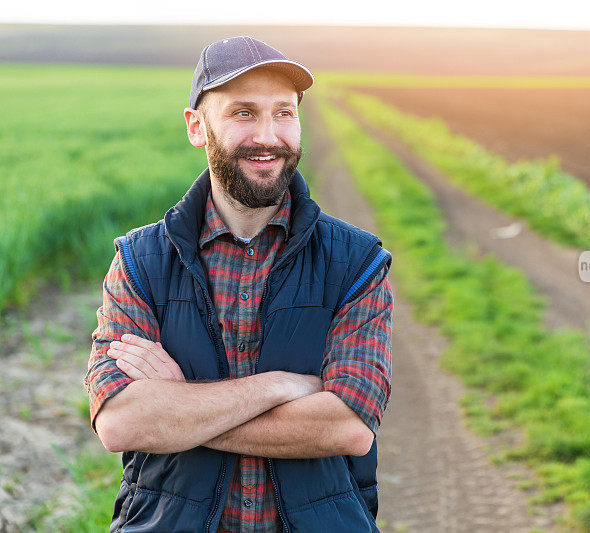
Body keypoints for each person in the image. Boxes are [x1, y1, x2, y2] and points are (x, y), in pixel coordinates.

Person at [82, 36, 392, 532]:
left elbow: (348, 426)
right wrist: (279, 387)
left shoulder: (356, 264)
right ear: (196, 127)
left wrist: (180, 410)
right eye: (243, 113)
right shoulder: (140, 261)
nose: (268, 136)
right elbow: (123, 422)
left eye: (283, 113)